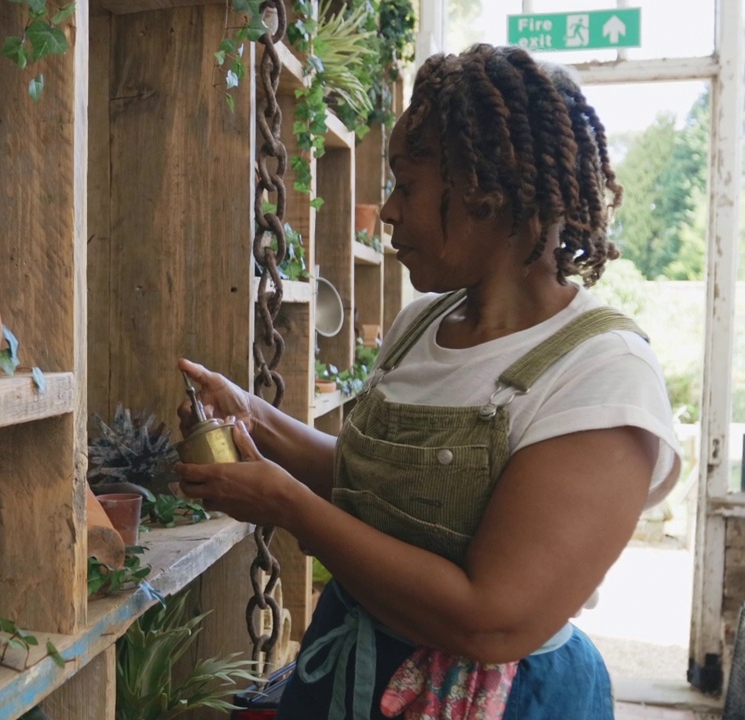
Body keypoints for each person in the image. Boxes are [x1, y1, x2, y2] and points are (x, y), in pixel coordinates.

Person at [174, 44, 681, 720]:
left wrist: (288, 508)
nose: (387, 212)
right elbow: (380, 488)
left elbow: (490, 621)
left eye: (406, 185)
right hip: (352, 668)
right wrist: (250, 421)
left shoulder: (602, 374)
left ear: (486, 191)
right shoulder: (420, 324)